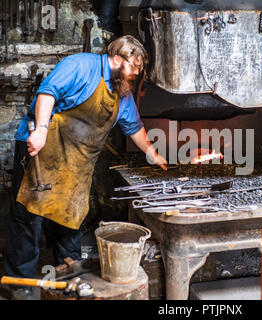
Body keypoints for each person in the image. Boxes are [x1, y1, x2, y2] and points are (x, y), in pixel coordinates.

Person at [3, 35, 167, 299]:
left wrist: (153, 154)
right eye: (134, 66)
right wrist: (42, 130)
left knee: (70, 224)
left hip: (77, 167)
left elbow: (134, 127)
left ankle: (69, 286)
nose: (136, 74)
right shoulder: (80, 66)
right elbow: (47, 93)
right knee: (28, 222)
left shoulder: (121, 93)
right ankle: (19, 288)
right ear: (117, 59)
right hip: (43, 152)